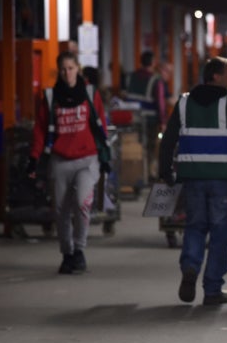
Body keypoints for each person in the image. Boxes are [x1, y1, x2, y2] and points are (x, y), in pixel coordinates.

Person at [159, 57, 227, 306]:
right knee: (221, 233)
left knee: (195, 226)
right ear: (214, 76)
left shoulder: (183, 104)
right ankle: (212, 289)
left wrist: (164, 171)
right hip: (223, 180)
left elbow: (168, 139)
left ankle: (190, 266)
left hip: (192, 178)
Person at [27, 51, 111, 274]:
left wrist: (106, 157)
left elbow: (100, 125)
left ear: (78, 69)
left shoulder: (91, 94)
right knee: (61, 211)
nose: (67, 73)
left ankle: (80, 250)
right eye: (63, 69)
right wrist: (34, 158)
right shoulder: (50, 96)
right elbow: (40, 129)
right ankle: (67, 253)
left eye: (71, 68)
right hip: (60, 160)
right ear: (59, 71)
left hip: (87, 160)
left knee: (82, 204)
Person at [125, 50, 166, 181]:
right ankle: (148, 175)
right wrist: (163, 121)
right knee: (149, 148)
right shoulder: (155, 80)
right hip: (150, 120)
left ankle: (135, 175)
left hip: (132, 119)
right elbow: (160, 102)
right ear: (153, 63)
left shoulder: (130, 77)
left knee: (134, 147)